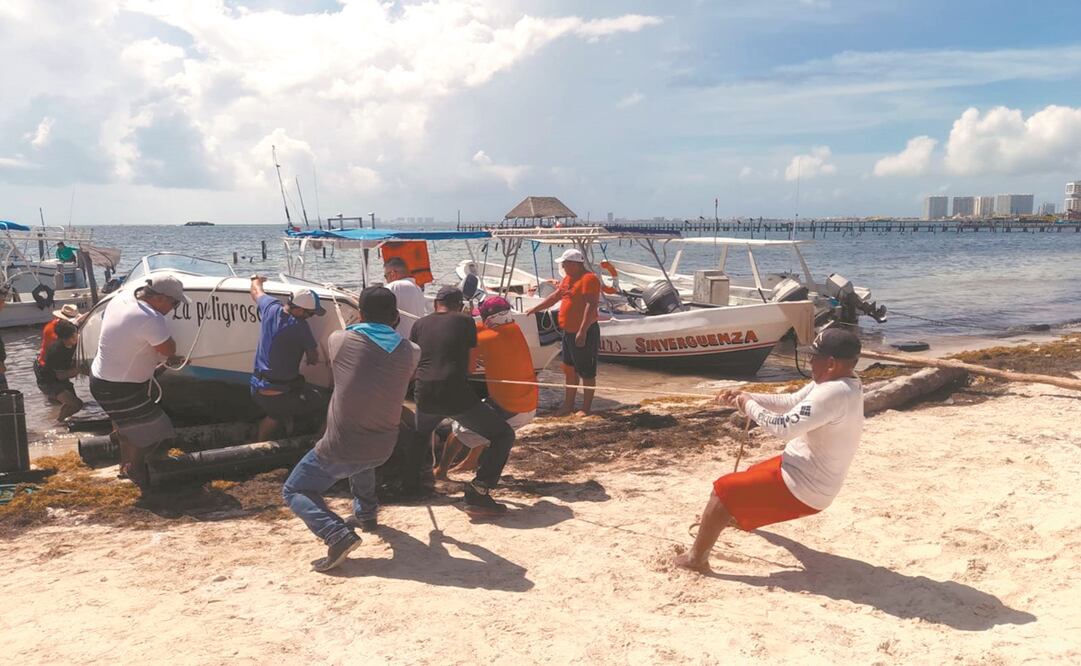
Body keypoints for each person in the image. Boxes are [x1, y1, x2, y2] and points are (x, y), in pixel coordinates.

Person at [674, 328, 865, 574]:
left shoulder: (832, 392)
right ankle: (730, 517)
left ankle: (696, 559)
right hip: (803, 469)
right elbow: (791, 402)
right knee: (750, 474)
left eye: (813, 357)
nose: (809, 362)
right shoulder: (844, 381)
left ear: (830, 363)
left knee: (722, 492)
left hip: (806, 486)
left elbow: (783, 428)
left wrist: (748, 406)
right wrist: (747, 396)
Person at [282, 286, 420, 572]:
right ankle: (366, 513)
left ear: (360, 314)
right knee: (361, 460)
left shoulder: (340, 339)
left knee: (295, 489)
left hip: (342, 446)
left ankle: (336, 534)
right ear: (395, 316)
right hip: (383, 446)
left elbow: (346, 351)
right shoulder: (412, 351)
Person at [408, 285, 516, 515]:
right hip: (454, 392)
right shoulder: (465, 321)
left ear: (436, 304)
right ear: (460, 306)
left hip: (424, 391)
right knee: (503, 435)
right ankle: (479, 492)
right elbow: (468, 366)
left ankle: (415, 484)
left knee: (420, 436)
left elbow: (418, 359)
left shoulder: (419, 324)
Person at [89, 275, 187, 490]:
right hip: (120, 387)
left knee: (127, 429)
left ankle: (125, 465)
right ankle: (136, 469)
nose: (173, 308)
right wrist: (169, 354)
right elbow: (168, 349)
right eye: (174, 302)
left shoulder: (122, 298)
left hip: (100, 378)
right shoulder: (151, 318)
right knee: (156, 431)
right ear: (160, 298)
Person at [434, 296, 537, 480]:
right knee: (483, 415)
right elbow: (480, 329)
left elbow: (469, 368)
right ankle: (471, 461)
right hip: (529, 403)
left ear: (487, 318)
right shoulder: (515, 329)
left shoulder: (485, 338)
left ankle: (441, 471)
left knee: (459, 428)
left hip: (511, 408)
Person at [249, 277, 326, 440]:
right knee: (322, 402)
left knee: (296, 386)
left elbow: (256, 290)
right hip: (275, 396)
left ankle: (285, 419)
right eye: (310, 314)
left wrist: (257, 280)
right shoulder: (300, 327)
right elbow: (313, 358)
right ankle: (314, 442)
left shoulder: (271, 307)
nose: (310, 317)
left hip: (255, 387)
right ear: (298, 310)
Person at [526, 248, 601, 416]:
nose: (563, 266)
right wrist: (534, 309)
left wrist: (583, 331)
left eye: (564, 264)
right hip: (567, 332)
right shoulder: (568, 278)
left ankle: (586, 408)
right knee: (569, 369)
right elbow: (555, 297)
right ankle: (568, 405)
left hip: (584, 331)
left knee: (586, 370)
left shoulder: (589, 279)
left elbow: (591, 305)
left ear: (575, 264)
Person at [34, 319, 85, 421]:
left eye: (76, 334)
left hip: (59, 376)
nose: (76, 338)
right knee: (76, 404)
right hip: (48, 379)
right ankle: (57, 424)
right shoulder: (56, 351)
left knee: (71, 404)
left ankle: (58, 422)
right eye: (73, 337)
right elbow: (61, 375)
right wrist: (79, 370)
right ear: (64, 339)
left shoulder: (72, 339)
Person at [383, 256, 426, 338]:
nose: (386, 280)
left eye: (385, 276)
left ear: (393, 274)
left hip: (400, 341)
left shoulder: (395, 286)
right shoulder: (417, 288)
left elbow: (375, 303)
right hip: (415, 340)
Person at [37, 303, 82, 370]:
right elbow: (67, 343)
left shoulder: (66, 328)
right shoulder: (52, 329)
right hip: (45, 365)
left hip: (59, 362)